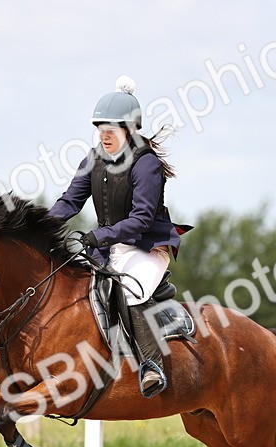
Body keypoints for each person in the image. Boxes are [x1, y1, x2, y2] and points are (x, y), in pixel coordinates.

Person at [48, 76, 190, 398]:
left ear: (129, 130)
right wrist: (36, 225)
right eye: (100, 129)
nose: (104, 135)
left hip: (146, 247)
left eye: (111, 129)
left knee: (130, 289)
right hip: (108, 247)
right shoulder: (93, 160)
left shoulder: (146, 164)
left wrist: (101, 235)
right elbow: (70, 202)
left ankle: (151, 365)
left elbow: (141, 220)